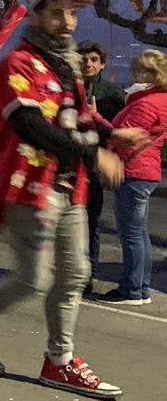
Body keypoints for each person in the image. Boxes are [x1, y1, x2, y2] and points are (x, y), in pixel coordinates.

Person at [0, 0, 141, 400]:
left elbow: (77, 116)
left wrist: (112, 137)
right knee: (33, 278)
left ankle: (60, 360)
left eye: (72, 13)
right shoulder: (17, 64)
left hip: (68, 184)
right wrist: (95, 154)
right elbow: (30, 125)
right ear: (35, 16)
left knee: (75, 273)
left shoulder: (67, 64)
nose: (68, 22)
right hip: (27, 184)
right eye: (57, 13)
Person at [98, 50, 167, 305]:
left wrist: (97, 122)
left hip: (134, 170)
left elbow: (124, 136)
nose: (137, 75)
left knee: (131, 234)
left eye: (144, 71)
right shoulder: (159, 100)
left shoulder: (147, 103)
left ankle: (132, 289)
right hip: (147, 171)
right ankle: (140, 287)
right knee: (139, 233)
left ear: (155, 74)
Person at [77, 40, 126, 291]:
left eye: (93, 59)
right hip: (70, 160)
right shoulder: (68, 88)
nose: (88, 64)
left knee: (91, 222)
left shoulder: (112, 93)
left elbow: (117, 131)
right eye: (84, 59)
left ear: (102, 64)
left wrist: (97, 117)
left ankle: (88, 273)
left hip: (95, 163)